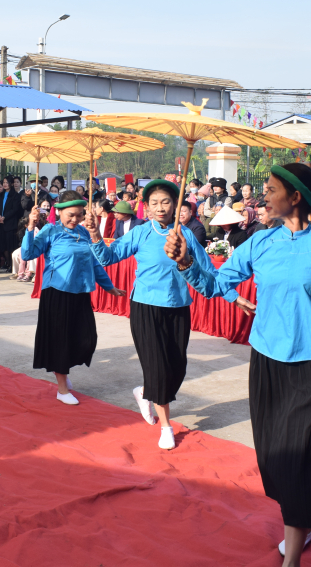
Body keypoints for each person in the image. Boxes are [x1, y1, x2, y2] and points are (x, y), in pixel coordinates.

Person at [165, 163, 311, 565]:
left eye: (271, 190)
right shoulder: (259, 243)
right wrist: (187, 263)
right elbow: (216, 284)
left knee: (300, 458)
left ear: (295, 198)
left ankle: (292, 556)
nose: (263, 198)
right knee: (274, 458)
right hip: (268, 364)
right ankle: (302, 519)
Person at [85, 179, 214, 451]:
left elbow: (209, 270)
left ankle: (145, 393)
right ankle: (166, 426)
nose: (160, 207)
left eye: (166, 202)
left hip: (178, 307)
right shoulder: (141, 233)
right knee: (157, 367)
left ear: (176, 205)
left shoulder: (187, 235)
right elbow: (109, 257)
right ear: (145, 207)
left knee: (177, 368)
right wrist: (96, 236)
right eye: (154, 203)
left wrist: (230, 293)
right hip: (145, 306)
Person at [22, 191, 125, 405]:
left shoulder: (84, 232)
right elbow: (27, 254)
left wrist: (109, 287)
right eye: (70, 215)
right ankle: (62, 387)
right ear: (59, 212)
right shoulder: (51, 231)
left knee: (86, 339)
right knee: (60, 341)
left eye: (79, 215)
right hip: (57, 293)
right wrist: (30, 228)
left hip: (80, 292)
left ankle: (63, 372)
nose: (75, 219)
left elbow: (95, 263)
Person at [0, 177, 23, 270]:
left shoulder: (15, 195)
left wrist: (5, 217)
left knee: (11, 246)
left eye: (7, 182)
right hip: (1, 224)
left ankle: (13, 265)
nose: (5, 184)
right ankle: (7, 263)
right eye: (4, 182)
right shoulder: (1, 195)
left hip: (10, 224)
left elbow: (15, 209)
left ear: (11, 183)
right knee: (3, 246)